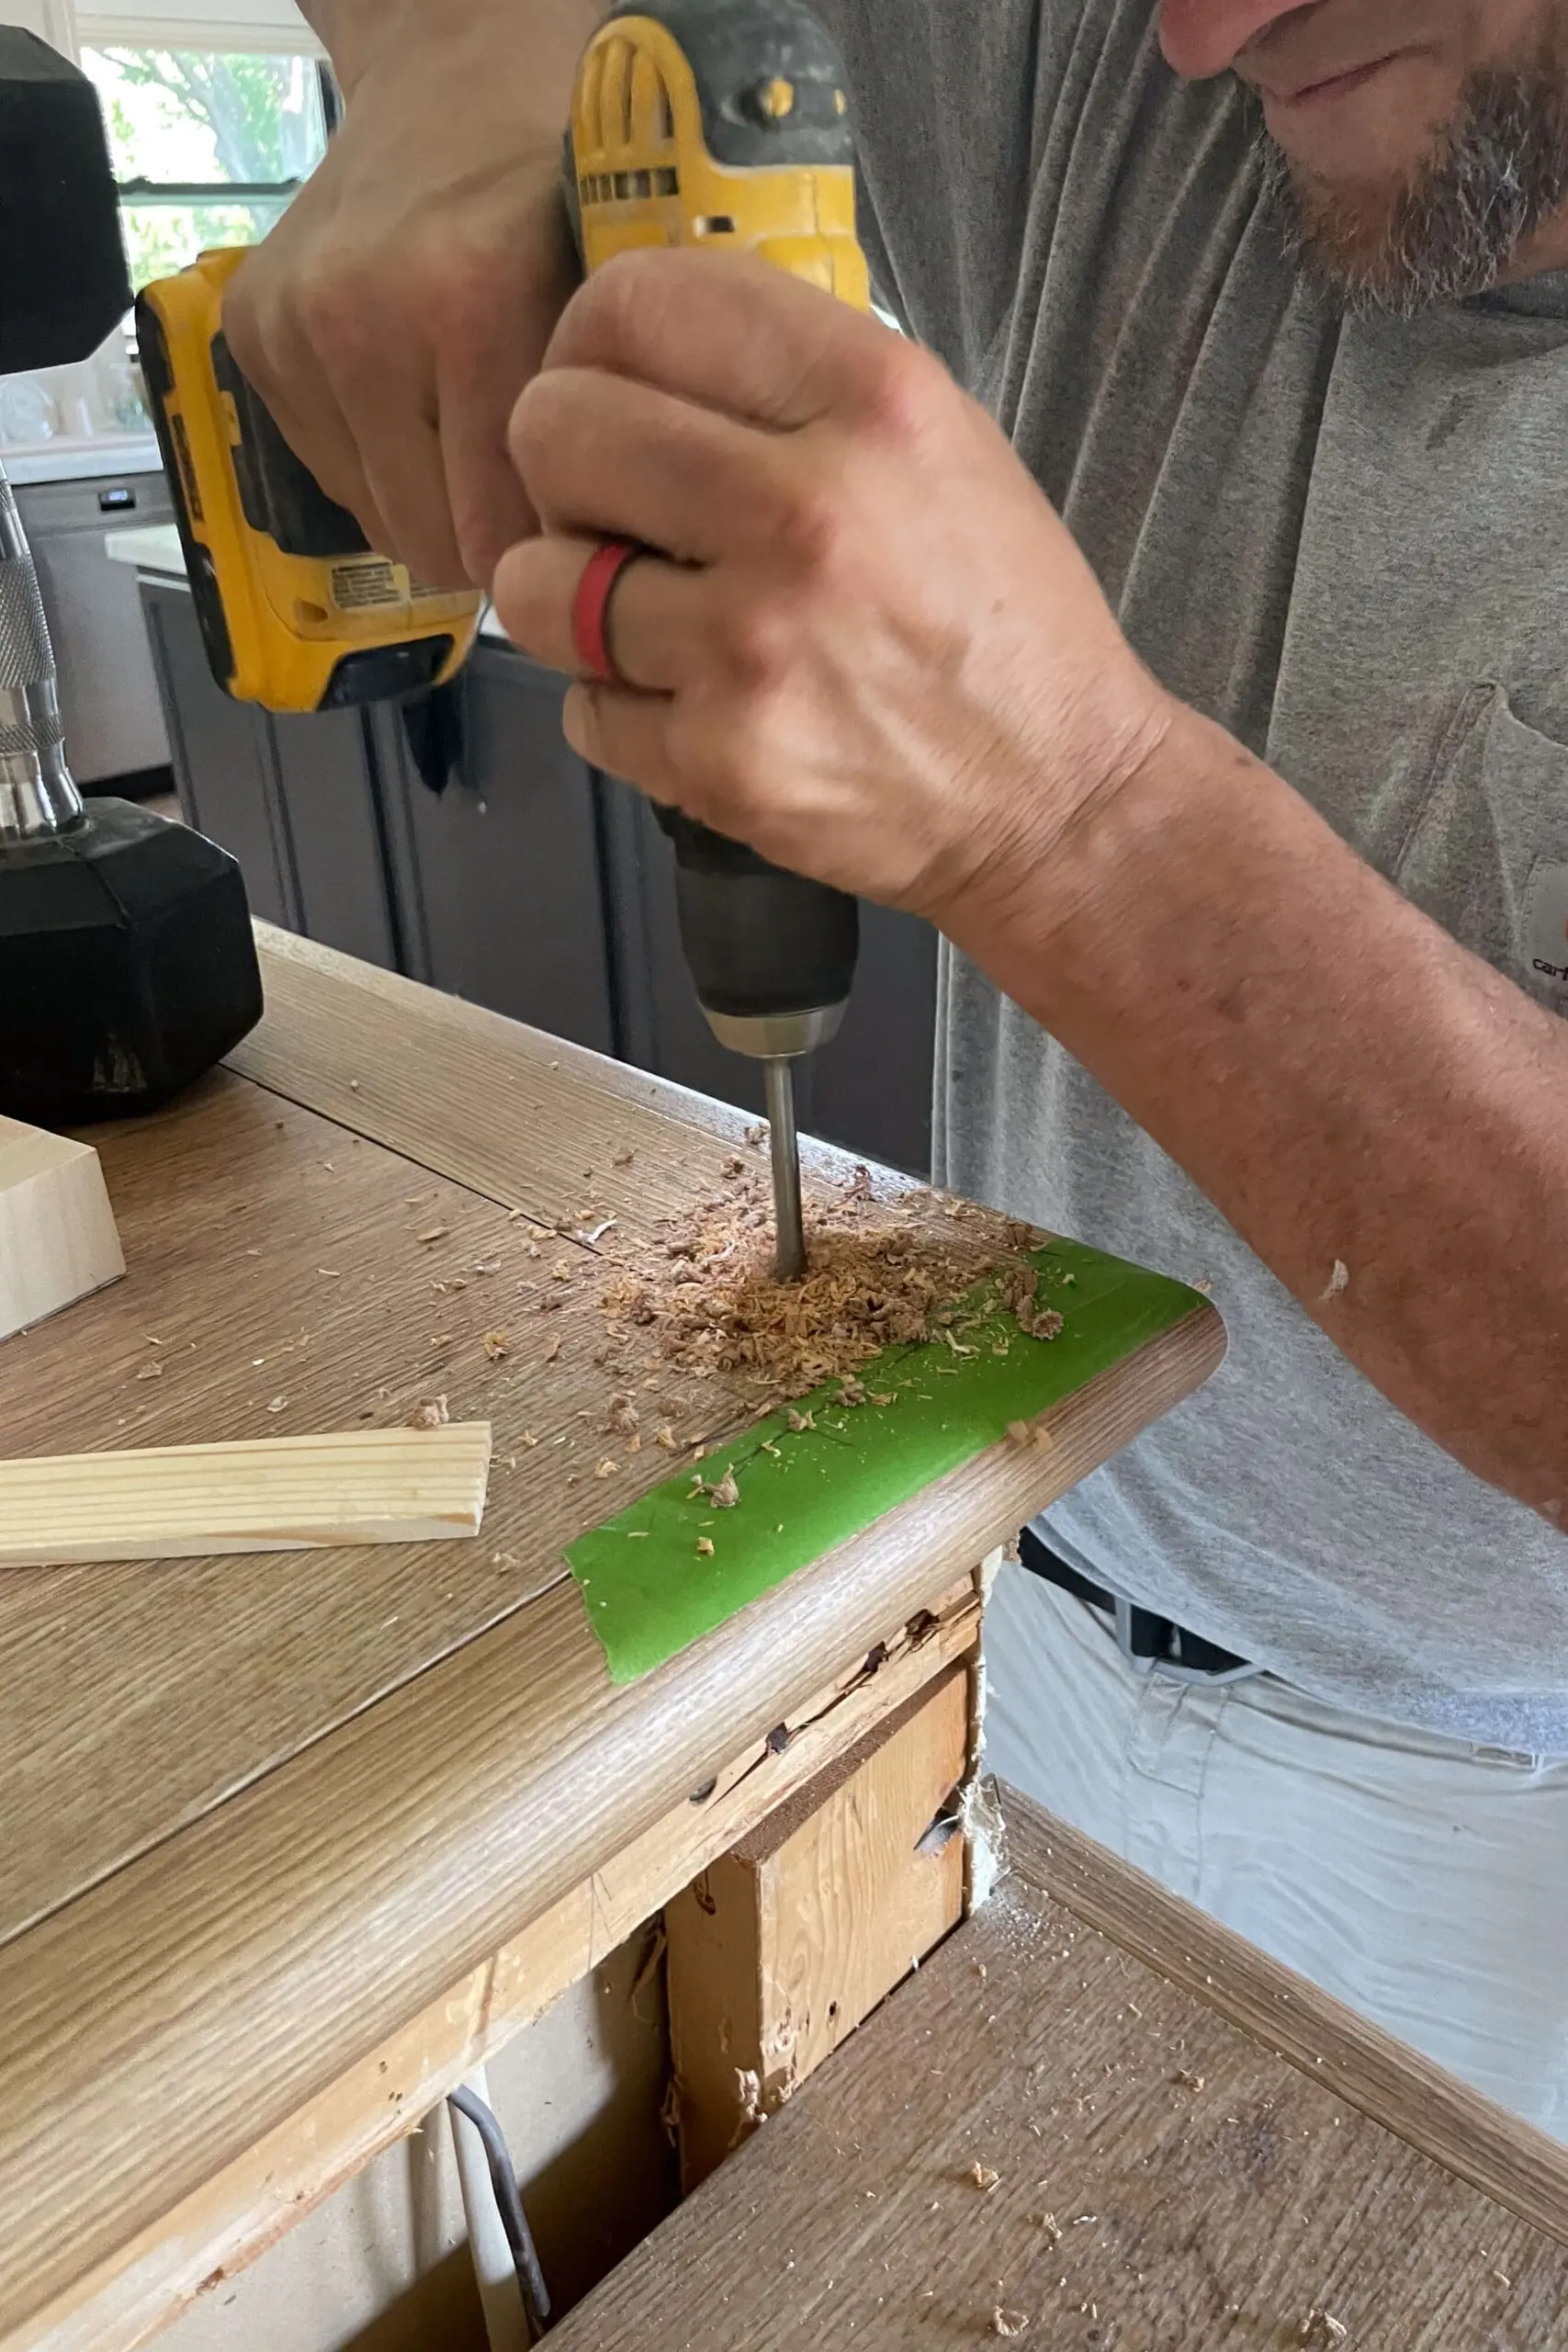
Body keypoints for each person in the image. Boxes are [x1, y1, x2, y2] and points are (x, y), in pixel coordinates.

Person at [227, 0, 1568, 2134]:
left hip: (1491, 1814)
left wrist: (1076, 819)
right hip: (1000, 1585)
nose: (1207, 29)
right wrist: (461, 51)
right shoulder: (1116, 59)